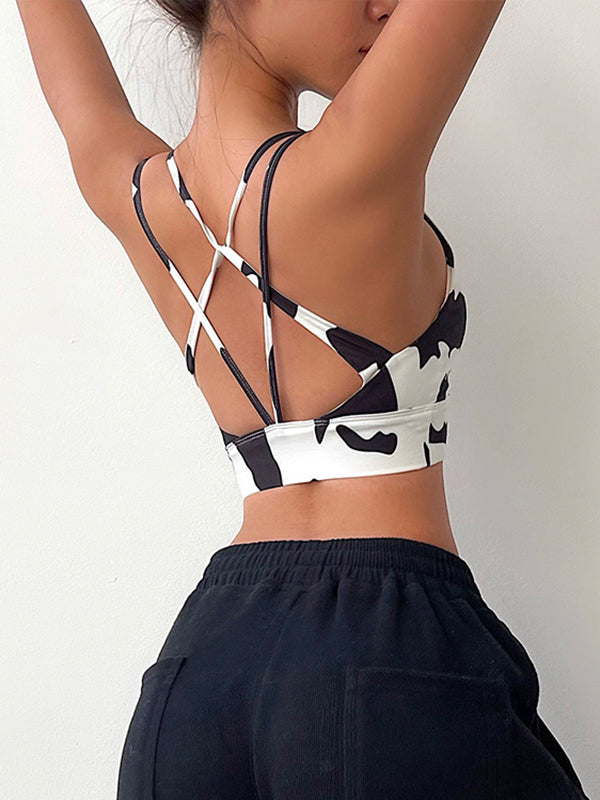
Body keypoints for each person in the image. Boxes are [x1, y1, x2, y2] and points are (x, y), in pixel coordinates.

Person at [15, 0, 590, 797]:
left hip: (199, 677)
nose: (388, 7)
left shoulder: (136, 196)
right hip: (385, 657)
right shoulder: (360, 155)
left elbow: (69, 73)